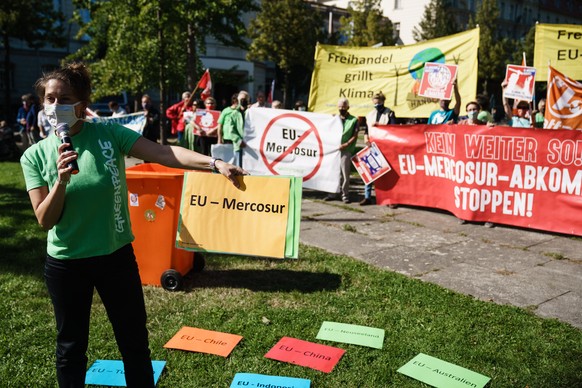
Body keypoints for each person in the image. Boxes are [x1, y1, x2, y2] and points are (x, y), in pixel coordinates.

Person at [19, 62, 246, 388]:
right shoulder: (35, 156)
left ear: (81, 104)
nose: (55, 106)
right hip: (67, 264)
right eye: (50, 99)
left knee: (134, 343)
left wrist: (215, 163)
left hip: (115, 257)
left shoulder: (108, 135)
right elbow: (44, 219)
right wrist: (60, 181)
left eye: (64, 98)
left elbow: (163, 153)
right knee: (70, 348)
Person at [360, 91, 396, 206]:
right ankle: (367, 197)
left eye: (378, 103)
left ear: (383, 102)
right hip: (372, 147)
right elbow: (366, 130)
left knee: (387, 174)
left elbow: (394, 129)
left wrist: (381, 126)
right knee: (370, 171)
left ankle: (390, 199)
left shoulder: (390, 113)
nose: (376, 106)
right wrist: (366, 140)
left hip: (385, 147)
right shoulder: (369, 115)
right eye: (375, 104)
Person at [324, 97, 359, 203]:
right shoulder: (334, 119)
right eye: (340, 106)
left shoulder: (354, 120)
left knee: (345, 173)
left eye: (344, 106)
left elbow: (355, 135)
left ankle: (345, 194)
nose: (342, 108)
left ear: (348, 107)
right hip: (334, 149)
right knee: (333, 172)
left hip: (346, 149)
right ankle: (332, 193)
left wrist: (346, 144)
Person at [218, 91, 249, 167]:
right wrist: (238, 140)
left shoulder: (251, 112)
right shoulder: (233, 114)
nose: (243, 100)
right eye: (241, 99)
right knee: (238, 166)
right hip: (238, 145)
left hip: (251, 146)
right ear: (238, 100)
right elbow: (230, 130)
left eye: (245, 99)